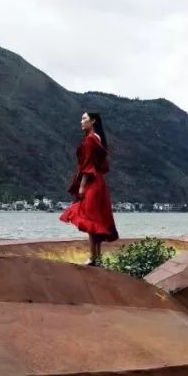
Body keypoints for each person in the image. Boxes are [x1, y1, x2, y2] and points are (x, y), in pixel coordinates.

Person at [59, 111, 119, 265]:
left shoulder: (92, 139)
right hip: (99, 182)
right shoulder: (96, 138)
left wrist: (82, 185)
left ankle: (94, 258)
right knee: (95, 219)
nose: (81, 121)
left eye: (84, 119)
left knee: (89, 218)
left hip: (92, 183)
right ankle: (96, 257)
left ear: (92, 121)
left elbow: (88, 165)